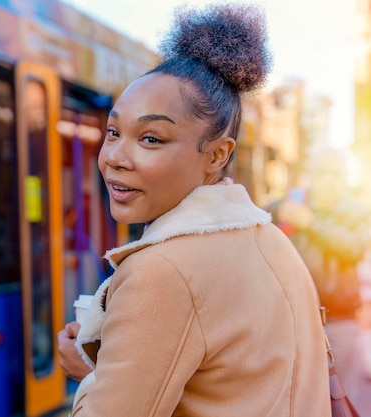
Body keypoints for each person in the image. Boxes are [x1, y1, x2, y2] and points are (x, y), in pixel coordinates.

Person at [56, 3, 331, 416]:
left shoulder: (162, 271)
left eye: (151, 138)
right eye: (113, 132)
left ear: (217, 154)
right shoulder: (272, 241)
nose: (114, 156)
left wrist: (94, 374)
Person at [269, 147, 371, 410]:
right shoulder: (291, 203)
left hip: (340, 321)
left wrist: (310, 223)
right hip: (295, 320)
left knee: (343, 397)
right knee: (299, 399)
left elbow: (353, 249)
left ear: (343, 177)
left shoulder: (357, 212)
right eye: (322, 173)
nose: (328, 180)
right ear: (311, 175)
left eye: (335, 174)